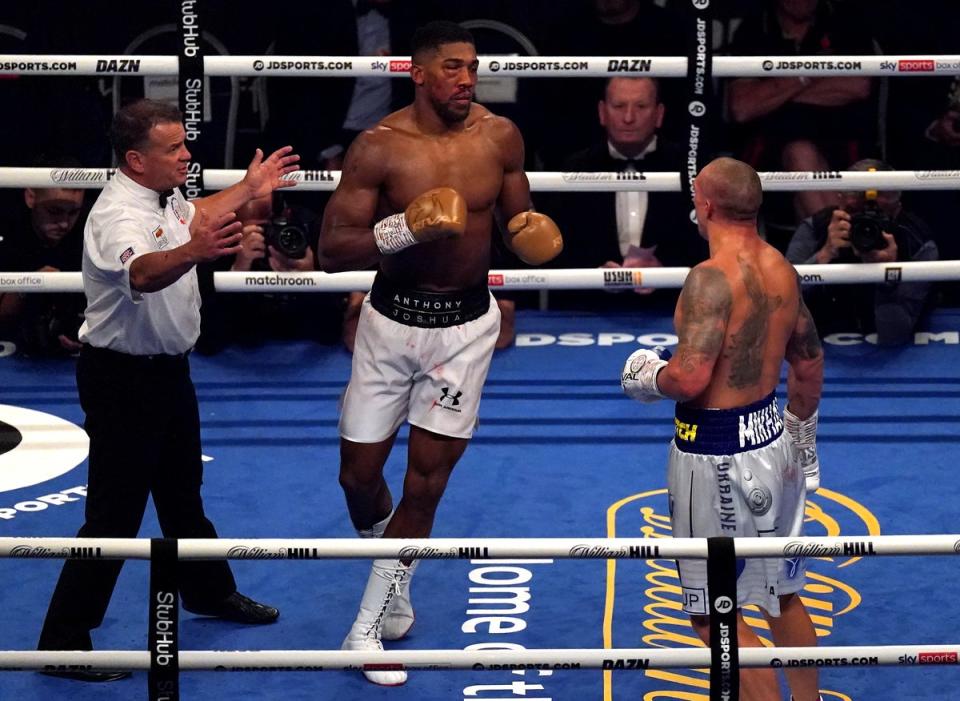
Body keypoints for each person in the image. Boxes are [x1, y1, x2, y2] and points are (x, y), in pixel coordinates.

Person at [318, 21, 563, 686]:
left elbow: (516, 222)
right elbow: (333, 247)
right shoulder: (378, 148)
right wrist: (404, 227)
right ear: (418, 73)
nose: (466, 79)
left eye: (472, 67)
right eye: (452, 67)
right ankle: (391, 575)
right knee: (358, 475)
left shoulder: (499, 136)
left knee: (426, 482)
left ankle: (366, 626)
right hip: (390, 322)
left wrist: (529, 232)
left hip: (465, 329)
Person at [37, 98, 299, 682]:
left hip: (168, 372)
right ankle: (61, 640)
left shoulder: (159, 195)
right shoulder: (115, 217)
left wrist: (250, 186)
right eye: (174, 149)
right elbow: (145, 271)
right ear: (136, 159)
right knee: (112, 516)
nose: (187, 155)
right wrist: (195, 253)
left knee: (184, 497)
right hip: (122, 380)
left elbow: (195, 215)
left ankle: (208, 592)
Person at [620, 157, 825, 701]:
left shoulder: (710, 278)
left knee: (715, 614)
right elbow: (808, 360)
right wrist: (802, 441)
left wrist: (645, 376)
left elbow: (689, 379)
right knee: (783, 592)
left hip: (713, 457)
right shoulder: (781, 266)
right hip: (773, 439)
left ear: (704, 204)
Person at [546, 77, 708, 310]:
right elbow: (555, 250)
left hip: (673, 307)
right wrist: (596, 273)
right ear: (602, 112)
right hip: (589, 309)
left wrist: (665, 271)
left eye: (641, 106)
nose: (629, 118)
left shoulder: (691, 168)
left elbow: (707, 246)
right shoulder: (574, 168)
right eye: (619, 106)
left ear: (659, 114)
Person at [725, 0, 876, 222]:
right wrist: (808, 74)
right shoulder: (755, 29)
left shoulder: (844, 23)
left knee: (813, 166)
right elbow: (742, 107)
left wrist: (775, 93)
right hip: (769, 153)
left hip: (840, 145)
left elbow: (858, 85)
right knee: (800, 152)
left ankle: (835, 242)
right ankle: (841, 244)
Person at [785, 159, 939, 345]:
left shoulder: (917, 242)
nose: (867, 224)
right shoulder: (816, 229)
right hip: (824, 331)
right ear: (840, 204)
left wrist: (887, 278)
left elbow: (893, 335)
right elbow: (782, 304)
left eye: (879, 215)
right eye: (855, 211)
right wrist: (823, 256)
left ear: (897, 210)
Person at [0, 161, 86, 357]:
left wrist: (85, 332)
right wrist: (29, 285)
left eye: (73, 212)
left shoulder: (93, 230)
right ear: (31, 197)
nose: (64, 223)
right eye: (54, 211)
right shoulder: (9, 233)